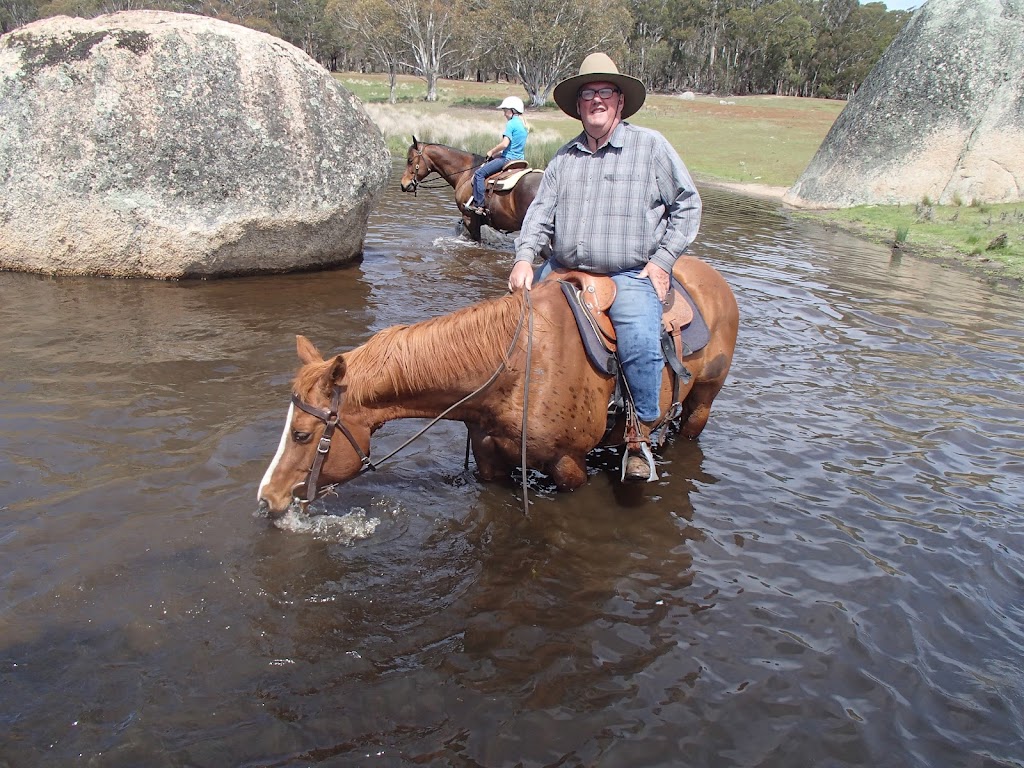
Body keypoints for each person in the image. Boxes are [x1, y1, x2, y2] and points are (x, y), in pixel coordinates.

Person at [507, 53, 702, 483]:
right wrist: (524, 258)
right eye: (588, 94)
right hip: (562, 269)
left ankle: (639, 436)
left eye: (605, 92)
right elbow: (540, 215)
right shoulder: (563, 159)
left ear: (619, 101)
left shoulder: (650, 147)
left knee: (638, 339)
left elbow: (687, 205)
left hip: (628, 274)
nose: (596, 100)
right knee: (512, 331)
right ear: (578, 106)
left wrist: (662, 260)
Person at [468, 96, 529, 215]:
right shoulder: (524, 125)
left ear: (512, 110)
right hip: (520, 159)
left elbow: (505, 144)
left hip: (507, 159)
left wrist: (491, 152)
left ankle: (479, 205)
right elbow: (515, 145)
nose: (504, 114)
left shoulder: (511, 124)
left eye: (505, 111)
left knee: (479, 174)